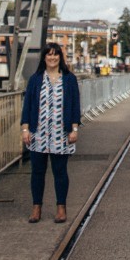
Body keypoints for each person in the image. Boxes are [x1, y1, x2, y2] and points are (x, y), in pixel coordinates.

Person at [20, 42, 81, 224]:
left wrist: (74, 129)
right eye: (49, 55)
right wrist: (25, 129)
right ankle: (36, 208)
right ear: (44, 57)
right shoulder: (35, 79)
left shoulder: (69, 79)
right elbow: (28, 106)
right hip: (38, 133)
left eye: (55, 55)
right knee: (37, 172)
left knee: (60, 172)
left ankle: (61, 208)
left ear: (60, 58)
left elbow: (75, 105)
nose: (52, 58)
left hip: (61, 133)